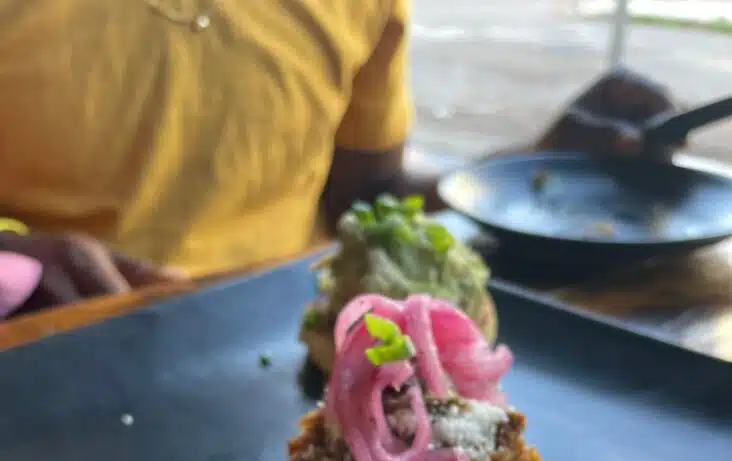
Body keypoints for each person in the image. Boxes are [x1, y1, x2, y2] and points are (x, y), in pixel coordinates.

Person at [0, 1, 681, 310]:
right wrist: (13, 262)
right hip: (49, 337)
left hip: (284, 343)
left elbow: (366, 193)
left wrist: (538, 165)